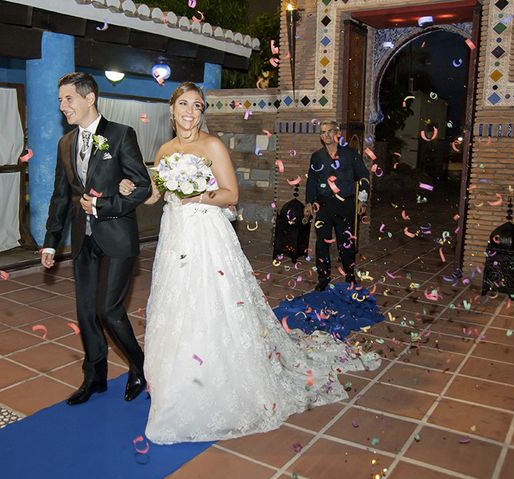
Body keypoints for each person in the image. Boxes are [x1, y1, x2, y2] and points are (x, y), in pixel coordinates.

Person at [118, 82, 379, 444]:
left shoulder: (212, 145)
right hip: (175, 235)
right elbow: (157, 196)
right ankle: (177, 384)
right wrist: (135, 190)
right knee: (177, 305)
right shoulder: (164, 150)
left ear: (202, 111)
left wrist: (198, 194)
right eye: (183, 104)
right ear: (172, 109)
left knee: (213, 302)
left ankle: (219, 376)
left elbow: (231, 194)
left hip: (207, 235)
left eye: (196, 105)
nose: (190, 112)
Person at [41, 72, 151, 406]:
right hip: (82, 239)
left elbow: (143, 186)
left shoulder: (120, 135)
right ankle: (95, 378)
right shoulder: (65, 144)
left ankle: (140, 366)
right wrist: (50, 241)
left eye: (68, 98)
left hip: (117, 236)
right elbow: (61, 196)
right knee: (86, 311)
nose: (63, 106)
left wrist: (104, 205)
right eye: (60, 100)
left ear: (89, 98)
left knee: (109, 310)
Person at [304, 121, 370, 291]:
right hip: (324, 205)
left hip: (346, 205)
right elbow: (311, 180)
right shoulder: (317, 157)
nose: (325, 135)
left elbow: (363, 176)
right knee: (321, 243)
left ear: (337, 133)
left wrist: (362, 200)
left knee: (345, 242)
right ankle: (323, 278)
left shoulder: (350, 154)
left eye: (329, 131)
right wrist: (309, 202)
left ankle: (350, 275)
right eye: (322, 132)